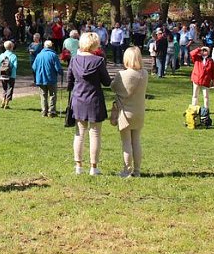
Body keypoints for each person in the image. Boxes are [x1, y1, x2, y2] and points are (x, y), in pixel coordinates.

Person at [68, 32, 113, 176]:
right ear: (95, 44)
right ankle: (93, 167)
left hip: (78, 99)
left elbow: (69, 81)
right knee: (95, 134)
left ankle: (78, 166)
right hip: (94, 100)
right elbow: (106, 82)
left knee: (79, 134)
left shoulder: (74, 60)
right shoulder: (99, 61)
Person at [110, 46, 148, 178]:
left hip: (125, 112)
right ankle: (137, 170)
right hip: (139, 111)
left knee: (126, 142)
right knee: (136, 141)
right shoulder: (144, 73)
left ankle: (127, 170)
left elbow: (113, 87)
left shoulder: (123, 74)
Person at [33, 40, 62, 117]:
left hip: (40, 79)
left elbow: (34, 67)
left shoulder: (39, 55)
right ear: (51, 46)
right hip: (51, 78)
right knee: (52, 95)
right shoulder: (53, 55)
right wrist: (61, 72)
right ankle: (51, 111)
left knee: (43, 95)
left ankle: (44, 111)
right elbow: (58, 67)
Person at [190, 46, 214, 112]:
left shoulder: (210, 60)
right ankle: (194, 108)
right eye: (203, 51)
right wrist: (199, 49)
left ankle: (206, 109)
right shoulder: (197, 58)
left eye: (206, 51)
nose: (204, 52)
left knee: (206, 96)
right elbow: (191, 53)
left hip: (206, 80)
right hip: (196, 79)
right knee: (195, 95)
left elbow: (213, 70)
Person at [0, 40, 19, 109]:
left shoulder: (2, 55)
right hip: (11, 75)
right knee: (10, 89)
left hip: (2, 75)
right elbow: (15, 66)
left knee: (4, 88)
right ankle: (7, 103)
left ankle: (3, 100)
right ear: (11, 47)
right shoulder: (13, 56)